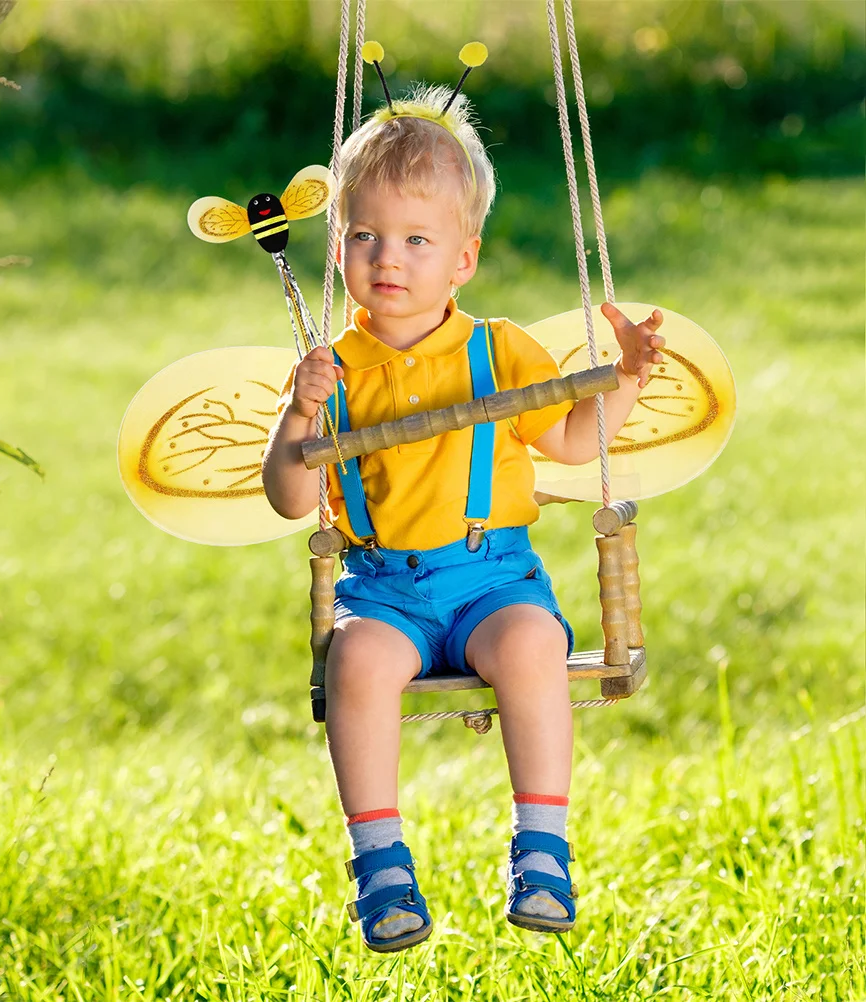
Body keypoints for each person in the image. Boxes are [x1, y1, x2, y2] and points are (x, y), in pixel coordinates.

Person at [261, 85, 664, 953]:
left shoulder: (498, 350)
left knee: (532, 648)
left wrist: (624, 375)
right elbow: (293, 500)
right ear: (337, 251)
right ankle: (379, 863)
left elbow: (567, 437)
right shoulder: (331, 372)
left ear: (463, 259)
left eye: (416, 240)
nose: (388, 258)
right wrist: (298, 418)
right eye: (365, 235)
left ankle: (543, 848)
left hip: (494, 579)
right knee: (356, 663)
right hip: (386, 590)